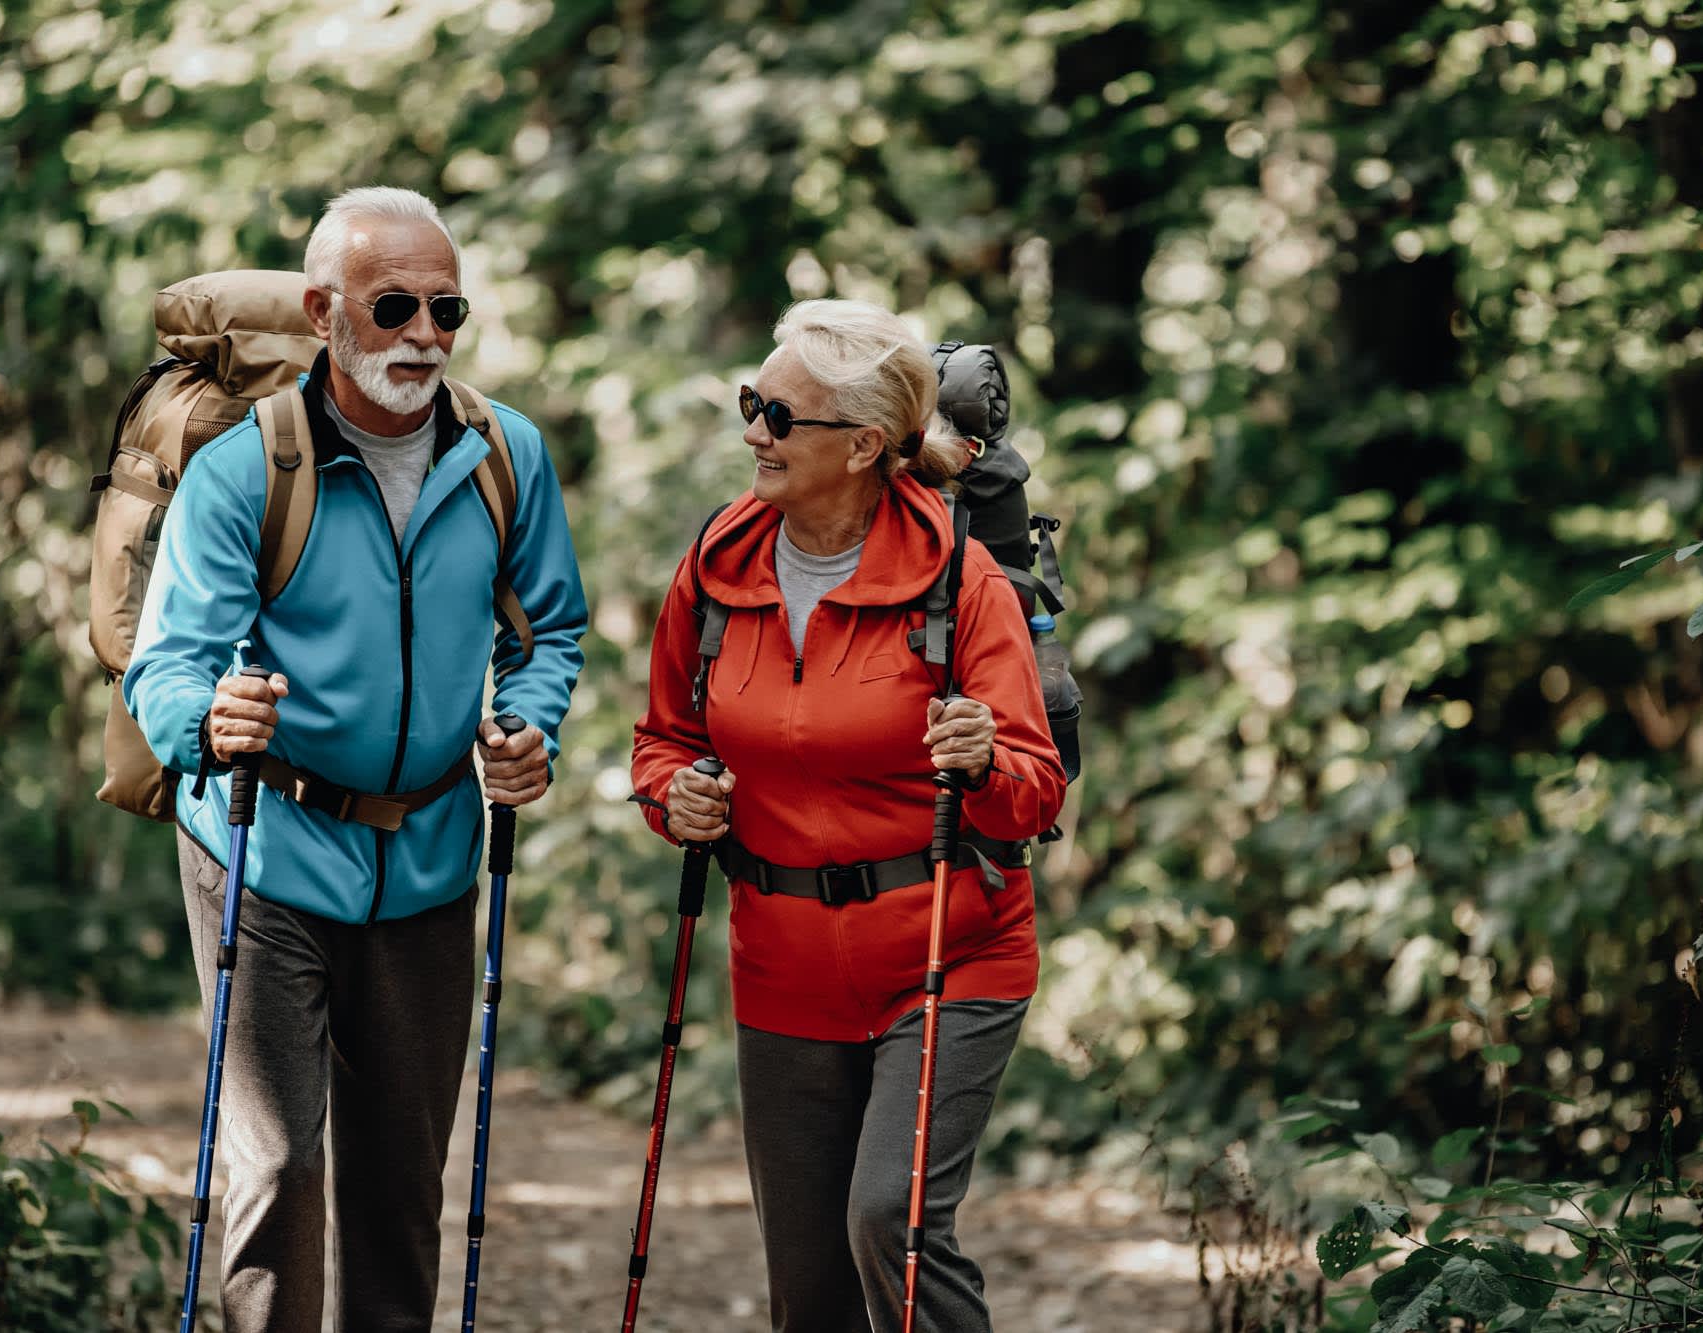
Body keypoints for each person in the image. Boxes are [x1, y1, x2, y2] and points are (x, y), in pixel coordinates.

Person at [122, 186, 587, 1331]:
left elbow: (549, 631)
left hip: (430, 854)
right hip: (261, 846)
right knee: (278, 1169)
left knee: (399, 1177)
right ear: (327, 312)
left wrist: (528, 725)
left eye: (446, 306)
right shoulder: (248, 469)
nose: (424, 334)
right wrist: (206, 721)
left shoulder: (500, 454)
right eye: (393, 307)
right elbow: (164, 663)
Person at [631, 298, 1067, 1332]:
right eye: (752, 405)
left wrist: (983, 753)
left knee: (891, 1223)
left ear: (864, 445)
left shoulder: (956, 578)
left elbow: (1033, 783)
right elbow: (663, 740)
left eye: (779, 416)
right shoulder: (718, 561)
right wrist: (673, 797)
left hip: (944, 949)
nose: (753, 433)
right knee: (810, 1287)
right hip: (781, 962)